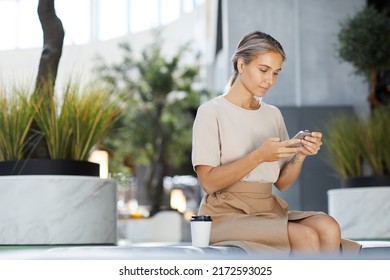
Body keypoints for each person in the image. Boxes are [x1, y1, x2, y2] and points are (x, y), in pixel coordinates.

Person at [191, 31, 361, 255]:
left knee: (328, 226)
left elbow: (281, 183)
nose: (269, 80)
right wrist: (259, 155)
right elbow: (209, 183)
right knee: (306, 236)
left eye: (276, 73)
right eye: (263, 70)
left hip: (267, 210)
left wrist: (300, 154)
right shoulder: (211, 112)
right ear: (242, 64)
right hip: (225, 213)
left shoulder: (272, 114)